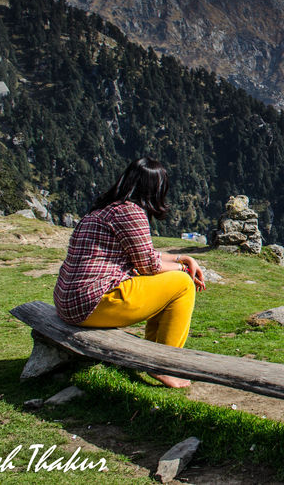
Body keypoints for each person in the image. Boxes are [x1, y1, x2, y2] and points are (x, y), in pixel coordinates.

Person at [53, 157, 205, 388]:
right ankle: (165, 367)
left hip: (68, 302)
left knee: (168, 279)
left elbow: (145, 252)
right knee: (182, 284)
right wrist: (184, 270)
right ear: (156, 188)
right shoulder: (130, 212)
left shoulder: (104, 210)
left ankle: (152, 355)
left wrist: (181, 258)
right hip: (93, 302)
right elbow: (149, 265)